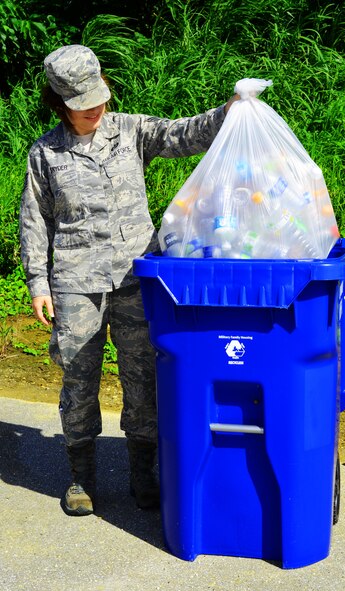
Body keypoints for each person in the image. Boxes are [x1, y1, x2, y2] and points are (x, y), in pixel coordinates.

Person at [20, 44, 238, 517]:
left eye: (99, 97)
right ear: (61, 104)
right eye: (84, 104)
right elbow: (35, 220)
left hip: (137, 277)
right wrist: (38, 282)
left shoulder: (131, 130)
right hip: (76, 283)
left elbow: (185, 134)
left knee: (143, 378)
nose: (97, 108)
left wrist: (230, 110)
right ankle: (81, 476)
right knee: (79, 380)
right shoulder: (45, 153)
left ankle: (144, 471)